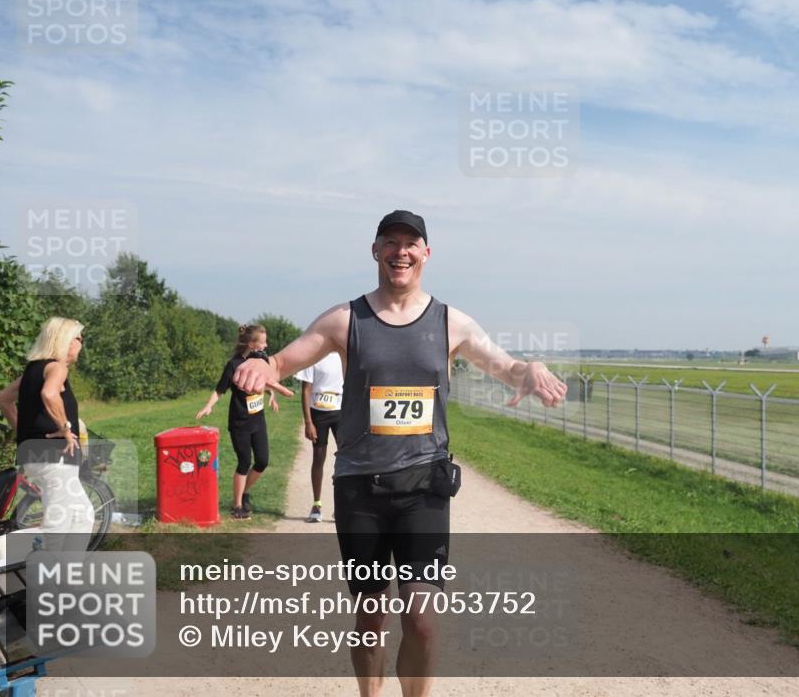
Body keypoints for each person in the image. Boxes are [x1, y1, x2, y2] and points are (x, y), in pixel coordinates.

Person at [233, 210, 567, 697]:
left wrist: (529, 368)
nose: (401, 252)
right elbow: (285, 359)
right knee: (371, 618)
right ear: (375, 251)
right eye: (390, 242)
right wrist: (264, 367)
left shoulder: (451, 322)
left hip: (423, 488)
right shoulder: (345, 319)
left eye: (411, 243)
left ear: (426, 254)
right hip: (360, 490)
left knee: (422, 620)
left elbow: (505, 366)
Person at [0, 317, 94, 550]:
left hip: (36, 455)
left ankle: (69, 568)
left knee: (82, 514)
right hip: (55, 457)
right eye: (80, 338)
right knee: (58, 524)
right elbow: (49, 394)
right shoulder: (57, 367)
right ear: (68, 340)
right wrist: (65, 428)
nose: (81, 344)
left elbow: (3, 399)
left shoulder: (34, 370)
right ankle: (17, 554)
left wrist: (24, 431)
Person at [196, 324, 278, 520]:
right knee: (244, 462)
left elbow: (266, 382)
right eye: (263, 342)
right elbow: (220, 390)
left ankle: (244, 491)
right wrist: (209, 405)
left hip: (258, 420)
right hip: (240, 422)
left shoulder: (261, 360)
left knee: (262, 461)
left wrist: (272, 395)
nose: (266, 345)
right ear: (251, 344)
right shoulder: (233, 365)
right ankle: (238, 506)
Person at [294, 352, 343, 523]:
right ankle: (316, 505)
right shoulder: (314, 357)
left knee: (344, 459)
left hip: (341, 411)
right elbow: (306, 390)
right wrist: (308, 422)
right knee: (318, 458)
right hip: (318, 413)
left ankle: (341, 506)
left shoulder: (345, 354)